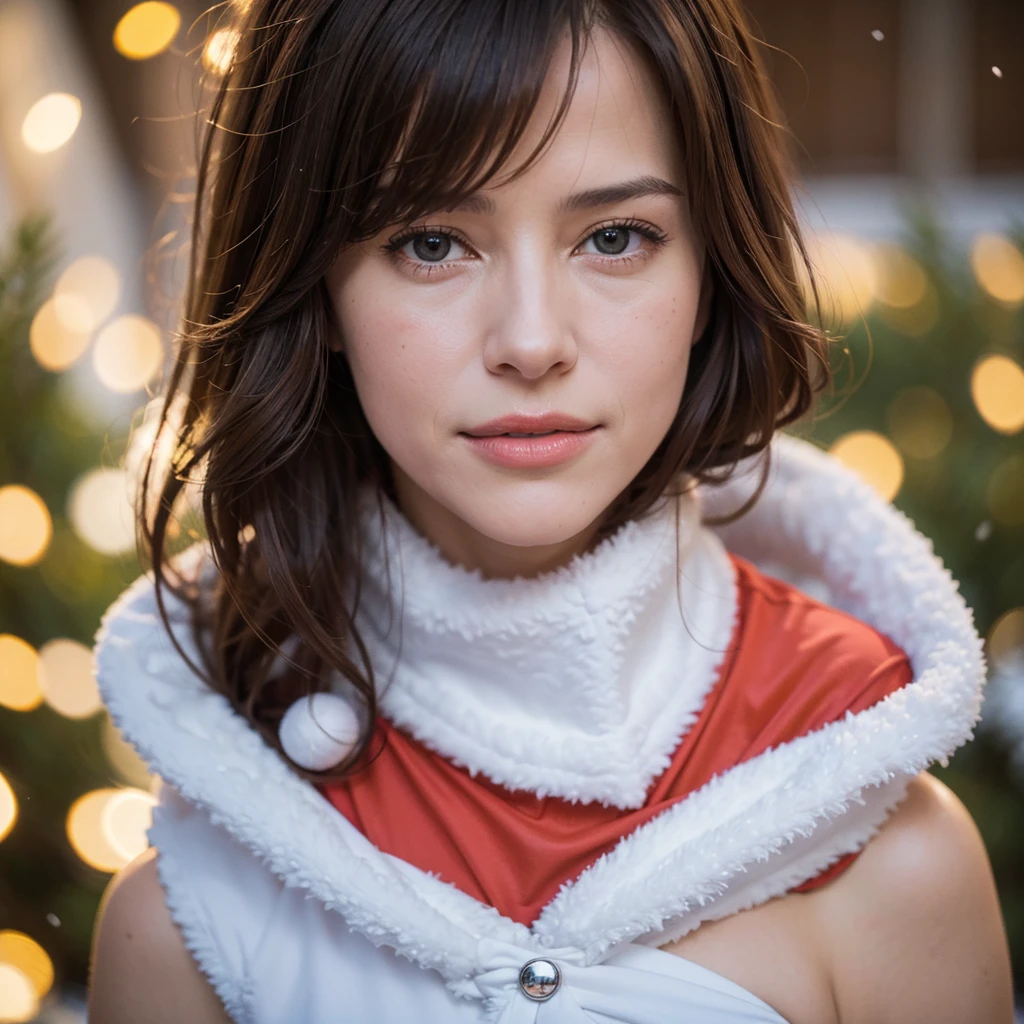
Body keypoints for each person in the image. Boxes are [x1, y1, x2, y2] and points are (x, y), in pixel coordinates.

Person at [86, 0, 1014, 1021]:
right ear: (318, 288)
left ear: (709, 273)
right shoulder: (185, 919)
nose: (531, 341)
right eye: (432, 243)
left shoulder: (893, 857)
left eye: (615, 236)